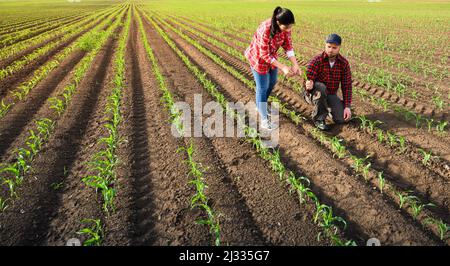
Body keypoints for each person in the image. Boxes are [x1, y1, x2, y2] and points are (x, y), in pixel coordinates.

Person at [245, 6, 300, 130]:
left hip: (272, 58)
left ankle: (260, 105)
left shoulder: (286, 28)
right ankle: (264, 119)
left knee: (273, 81)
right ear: (278, 22)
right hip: (259, 59)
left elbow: (288, 46)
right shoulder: (265, 29)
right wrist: (283, 67)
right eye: (286, 27)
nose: (289, 29)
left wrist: (295, 64)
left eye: (291, 26)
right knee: (262, 87)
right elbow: (264, 54)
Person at [304, 34, 353, 131]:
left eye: (334, 47)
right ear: (325, 45)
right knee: (320, 87)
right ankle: (319, 119)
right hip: (313, 93)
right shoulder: (317, 61)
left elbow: (346, 85)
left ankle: (330, 108)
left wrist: (347, 106)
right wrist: (308, 86)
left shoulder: (343, 63)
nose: (331, 50)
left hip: (330, 94)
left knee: (341, 119)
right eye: (329, 47)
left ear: (339, 48)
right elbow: (308, 80)